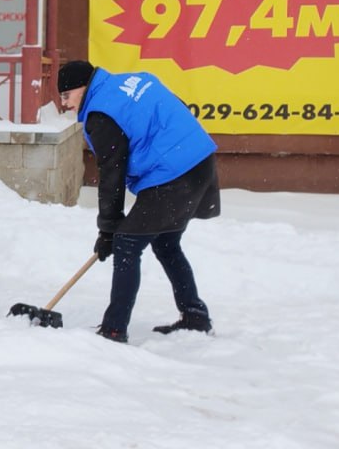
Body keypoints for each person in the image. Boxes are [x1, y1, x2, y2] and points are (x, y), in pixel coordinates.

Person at [56, 60, 221, 343]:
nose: (65, 105)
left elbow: (112, 172)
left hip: (173, 173)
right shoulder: (133, 80)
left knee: (126, 244)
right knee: (166, 242)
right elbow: (177, 104)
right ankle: (195, 316)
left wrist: (109, 230)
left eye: (66, 96)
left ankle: (114, 329)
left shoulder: (101, 113)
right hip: (199, 161)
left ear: (82, 88)